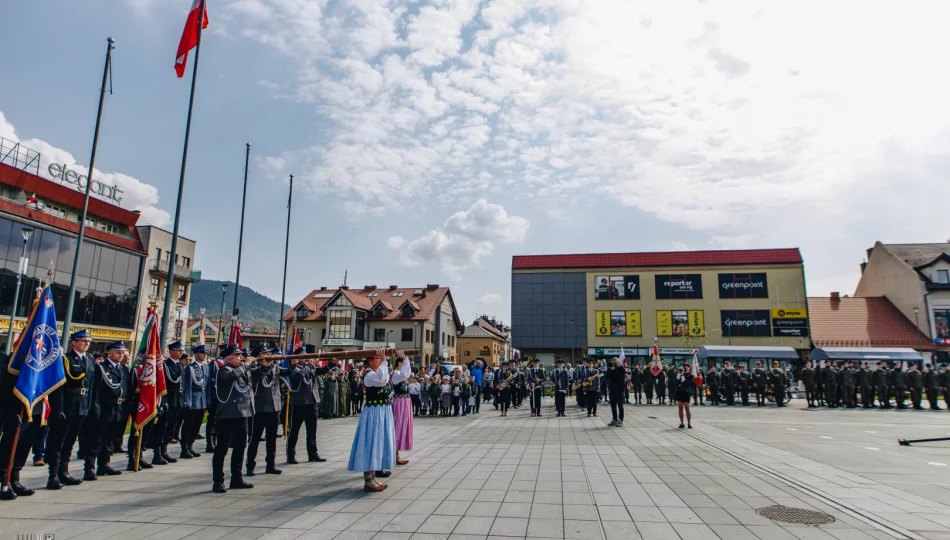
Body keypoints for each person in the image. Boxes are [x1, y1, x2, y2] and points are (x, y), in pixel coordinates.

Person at [46, 330, 97, 490]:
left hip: (81, 406)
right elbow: (59, 387)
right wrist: (58, 408)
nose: (86, 344)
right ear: (73, 343)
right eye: (82, 341)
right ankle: (53, 475)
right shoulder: (65, 360)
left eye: (88, 342)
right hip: (67, 405)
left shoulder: (89, 360)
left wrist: (89, 406)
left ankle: (64, 472)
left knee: (69, 442)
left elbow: (91, 387)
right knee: (58, 441)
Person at [348, 350, 396, 492]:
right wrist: (385, 361)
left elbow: (385, 378)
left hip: (381, 410)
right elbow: (382, 379)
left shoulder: (376, 373)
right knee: (371, 441)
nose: (380, 360)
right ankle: (368, 480)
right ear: (370, 361)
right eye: (377, 358)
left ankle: (373, 477)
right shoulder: (369, 375)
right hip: (374, 412)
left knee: (379, 441)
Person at [82, 341, 128, 480]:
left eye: (122, 353)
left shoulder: (124, 369)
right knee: (96, 439)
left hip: (118, 409)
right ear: (110, 353)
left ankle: (104, 464)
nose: (121, 355)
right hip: (104, 408)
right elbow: (95, 391)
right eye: (118, 352)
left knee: (109, 439)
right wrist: (95, 408)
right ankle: (89, 467)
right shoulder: (100, 368)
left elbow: (126, 390)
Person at [211, 345, 254, 493]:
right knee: (221, 449)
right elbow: (231, 377)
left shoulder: (242, 371)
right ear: (228, 358)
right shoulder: (223, 371)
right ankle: (218, 481)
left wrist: (259, 363)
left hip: (242, 415)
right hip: (227, 416)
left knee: (240, 448)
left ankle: (237, 478)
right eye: (237, 356)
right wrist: (246, 365)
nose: (241, 358)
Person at [247, 344, 286, 476]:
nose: (268, 355)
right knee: (255, 438)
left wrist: (293, 364)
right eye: (264, 353)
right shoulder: (253, 368)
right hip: (260, 408)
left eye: (268, 353)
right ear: (258, 356)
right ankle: (250, 465)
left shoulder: (274, 367)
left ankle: (271, 464)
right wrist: (266, 365)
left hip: (274, 407)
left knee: (272, 439)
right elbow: (258, 375)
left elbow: (288, 372)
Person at [286, 350, 330, 464]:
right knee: (294, 431)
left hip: (311, 402)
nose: (307, 358)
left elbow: (322, 370)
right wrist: (310, 364)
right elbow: (299, 376)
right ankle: (291, 455)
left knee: (312, 431)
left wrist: (331, 363)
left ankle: (313, 454)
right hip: (299, 403)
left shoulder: (310, 367)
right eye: (304, 356)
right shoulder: (293, 368)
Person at [181, 345, 209, 459]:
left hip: (202, 399)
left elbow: (208, 386)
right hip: (193, 399)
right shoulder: (190, 368)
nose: (204, 355)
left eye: (204, 353)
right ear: (196, 354)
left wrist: (208, 400)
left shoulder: (206, 368)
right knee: (188, 424)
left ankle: (191, 445)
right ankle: (184, 448)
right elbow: (187, 386)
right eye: (202, 353)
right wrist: (188, 401)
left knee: (196, 425)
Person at [391, 353, 413, 466]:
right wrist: (406, 358)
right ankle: (395, 455)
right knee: (398, 427)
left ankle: (396, 454)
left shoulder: (399, 374)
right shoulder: (396, 374)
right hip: (400, 402)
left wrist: (406, 358)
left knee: (402, 426)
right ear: (400, 363)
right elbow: (407, 373)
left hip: (404, 401)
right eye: (404, 363)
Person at [606, 357, 626, 427]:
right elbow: (607, 376)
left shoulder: (621, 369)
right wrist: (610, 369)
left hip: (620, 390)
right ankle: (614, 419)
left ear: (618, 362)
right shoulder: (610, 369)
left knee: (620, 405)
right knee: (613, 405)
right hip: (612, 390)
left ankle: (620, 419)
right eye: (613, 363)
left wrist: (615, 370)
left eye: (615, 363)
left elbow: (620, 376)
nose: (614, 364)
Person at [675, 365, 694, 429]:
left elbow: (686, 382)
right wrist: (680, 373)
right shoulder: (679, 375)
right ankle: (682, 423)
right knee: (680, 408)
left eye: (686, 368)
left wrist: (683, 375)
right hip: (679, 392)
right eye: (684, 368)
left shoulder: (690, 375)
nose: (685, 369)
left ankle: (689, 423)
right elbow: (676, 382)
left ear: (689, 368)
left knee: (687, 408)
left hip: (686, 392)